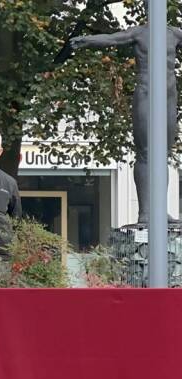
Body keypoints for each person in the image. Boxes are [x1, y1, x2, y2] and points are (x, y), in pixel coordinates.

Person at [70, 1, 182, 224]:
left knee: (163, 155)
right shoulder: (139, 33)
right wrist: (85, 39)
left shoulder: (175, 34)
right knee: (146, 152)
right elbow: (112, 38)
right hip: (147, 94)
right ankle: (146, 211)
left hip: (169, 97)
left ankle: (160, 210)